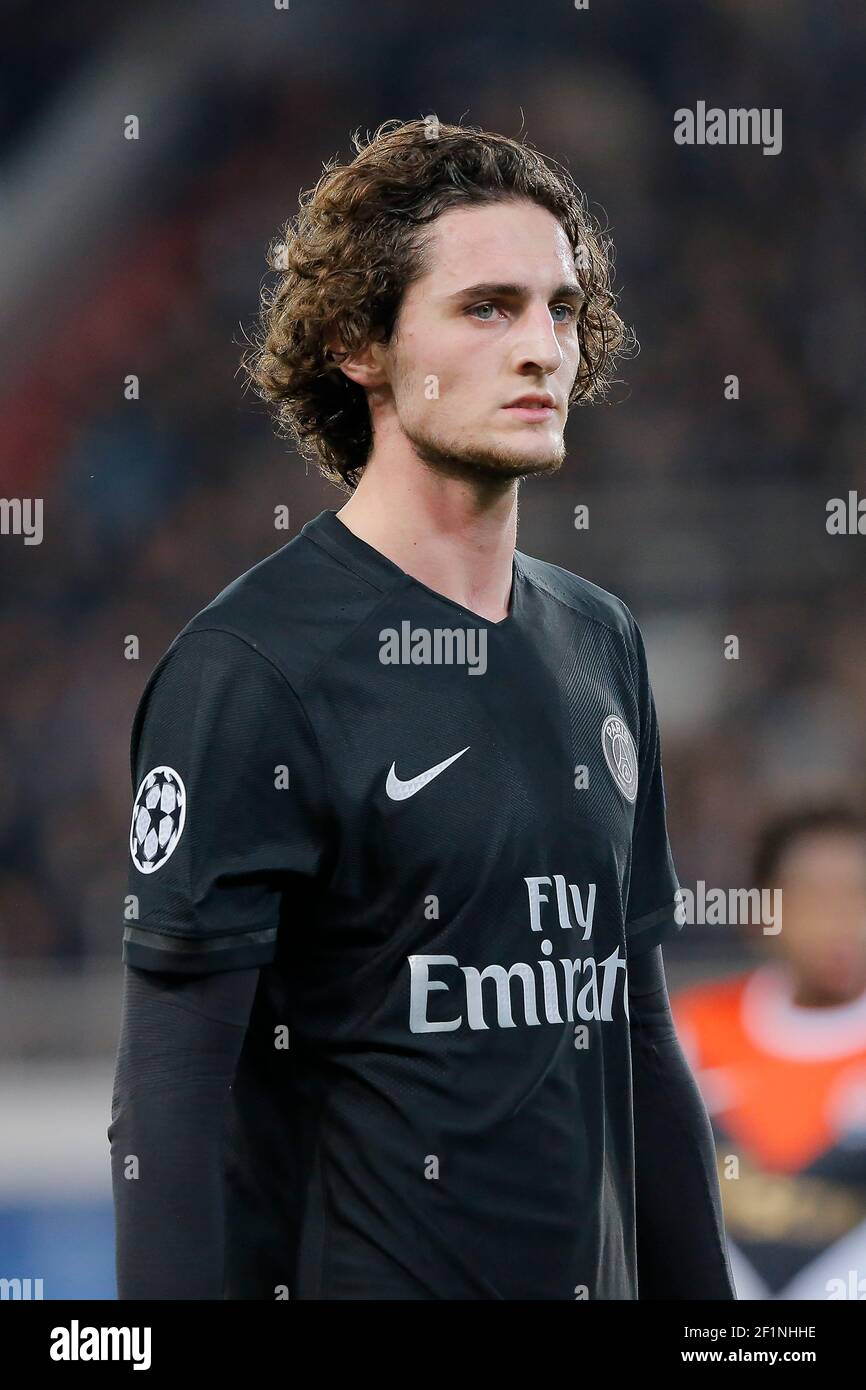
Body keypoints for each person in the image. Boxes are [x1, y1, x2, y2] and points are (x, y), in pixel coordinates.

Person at [109, 116, 735, 1300]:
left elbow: (639, 1047)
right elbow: (170, 1107)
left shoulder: (599, 642)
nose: (542, 348)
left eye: (560, 308)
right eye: (486, 307)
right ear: (358, 342)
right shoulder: (252, 668)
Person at [673, 806, 866, 1299]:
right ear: (761, 913)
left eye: (857, 893)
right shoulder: (686, 1032)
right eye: (812, 896)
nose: (839, 918)